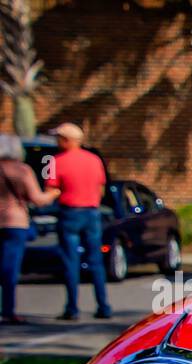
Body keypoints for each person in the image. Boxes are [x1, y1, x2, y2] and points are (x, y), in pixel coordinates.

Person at [46, 122, 111, 320]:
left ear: (66, 140)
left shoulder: (55, 161)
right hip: (92, 212)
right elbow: (101, 188)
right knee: (96, 261)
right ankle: (103, 305)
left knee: (70, 261)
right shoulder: (94, 160)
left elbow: (51, 189)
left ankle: (72, 308)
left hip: (70, 212)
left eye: (58, 138)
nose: (57, 142)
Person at [0, 134, 60, 324]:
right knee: (10, 268)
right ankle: (8, 309)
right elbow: (37, 199)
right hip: (14, 222)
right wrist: (53, 193)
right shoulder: (22, 170)